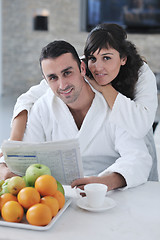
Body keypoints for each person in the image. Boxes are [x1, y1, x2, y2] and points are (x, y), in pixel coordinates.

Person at [5, 23, 158, 182]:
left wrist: (105, 89)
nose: (98, 67)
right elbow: (27, 99)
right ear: (84, 65)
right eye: (93, 58)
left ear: (123, 58)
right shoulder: (76, 68)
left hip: (137, 125)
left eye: (107, 58)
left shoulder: (141, 75)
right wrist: (14, 144)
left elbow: (139, 132)